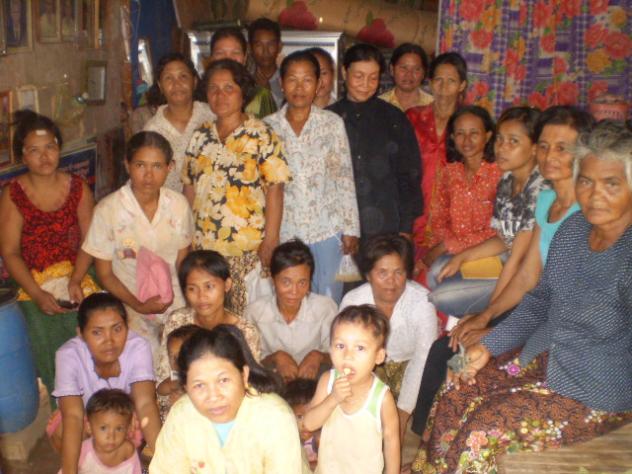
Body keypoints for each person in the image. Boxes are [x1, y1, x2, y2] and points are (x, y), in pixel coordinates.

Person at [411, 120, 632, 474]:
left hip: (594, 389)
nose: (594, 195)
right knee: (455, 382)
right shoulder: (574, 229)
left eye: (611, 184)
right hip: (542, 356)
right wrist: (488, 346)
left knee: (483, 427)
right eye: (586, 181)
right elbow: (539, 301)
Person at [0, 110, 96, 402]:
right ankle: (63, 412)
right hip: (32, 281)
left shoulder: (78, 188)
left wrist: (76, 279)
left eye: (50, 147)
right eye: (34, 150)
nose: (44, 156)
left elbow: (90, 242)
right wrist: (38, 294)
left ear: (59, 148)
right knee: (47, 340)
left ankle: (99, 404)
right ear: (23, 156)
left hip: (77, 273)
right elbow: (10, 252)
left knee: (93, 331)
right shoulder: (13, 195)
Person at [182, 59, 290, 314]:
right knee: (208, 315)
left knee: (244, 320)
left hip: (247, 249)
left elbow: (275, 189)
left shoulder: (262, 134)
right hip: (205, 249)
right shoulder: (200, 136)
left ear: (243, 92)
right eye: (213, 89)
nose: (220, 96)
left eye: (229, 88)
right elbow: (189, 188)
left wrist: (271, 239)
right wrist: (187, 238)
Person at [427, 107, 547, 317]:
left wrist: (486, 316)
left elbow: (518, 261)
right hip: (506, 259)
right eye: (500, 139)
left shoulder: (539, 189)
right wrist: (462, 257)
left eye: (513, 141)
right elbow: (502, 238)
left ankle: (500, 320)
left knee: (440, 296)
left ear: (535, 148)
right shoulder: (508, 180)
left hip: (530, 275)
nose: (502, 148)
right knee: (436, 273)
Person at [82, 131, 193, 357]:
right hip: (129, 301)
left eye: (157, 166)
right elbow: (105, 274)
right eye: (140, 165)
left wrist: (189, 304)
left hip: (176, 300)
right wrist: (138, 305)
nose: (148, 175)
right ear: (127, 165)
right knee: (144, 357)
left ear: (170, 167)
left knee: (185, 356)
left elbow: (183, 262)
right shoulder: (108, 210)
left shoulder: (178, 205)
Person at [265, 50, 360, 303]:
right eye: (292, 79)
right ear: (281, 83)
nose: (299, 87)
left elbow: (344, 176)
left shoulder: (332, 123)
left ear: (318, 85)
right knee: (291, 298)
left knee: (328, 299)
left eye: (307, 80)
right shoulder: (267, 127)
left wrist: (351, 228)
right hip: (285, 230)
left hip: (327, 229)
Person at [150, 325, 308, 473]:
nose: (213, 396)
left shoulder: (274, 416)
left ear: (244, 375)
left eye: (223, 380)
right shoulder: (182, 415)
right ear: (185, 387)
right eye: (199, 385)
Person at [49, 293, 161, 474]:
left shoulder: (138, 347)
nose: (109, 341)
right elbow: (73, 416)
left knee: (138, 424)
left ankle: (125, 463)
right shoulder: (68, 355)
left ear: (127, 326)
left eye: (117, 329)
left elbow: (145, 404)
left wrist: (166, 461)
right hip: (85, 417)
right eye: (97, 332)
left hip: (124, 416)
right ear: (81, 333)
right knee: (62, 430)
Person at [340, 234, 438, 440]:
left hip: (410, 369)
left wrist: (402, 415)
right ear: (368, 275)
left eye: (398, 272)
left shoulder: (422, 302)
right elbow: (345, 356)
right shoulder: (353, 301)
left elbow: (422, 359)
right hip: (369, 367)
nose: (391, 281)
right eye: (382, 273)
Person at [328, 44, 422, 244]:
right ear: (344, 72)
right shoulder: (328, 119)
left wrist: (405, 227)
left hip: (385, 223)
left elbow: (408, 175)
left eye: (373, 77)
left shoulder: (394, 118)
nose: (365, 84)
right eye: (358, 76)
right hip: (334, 225)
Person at [157, 250, 261, 416]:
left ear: (227, 285)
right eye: (192, 289)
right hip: (178, 409)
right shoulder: (177, 321)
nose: (201, 296)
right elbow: (163, 379)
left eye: (209, 286)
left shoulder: (244, 332)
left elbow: (250, 387)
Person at [304, 305, 400, 474]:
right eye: (340, 346)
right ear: (330, 349)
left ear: (379, 356)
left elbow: (392, 441)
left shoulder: (381, 397)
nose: (348, 356)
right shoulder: (328, 381)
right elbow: (309, 424)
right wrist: (333, 399)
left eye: (360, 348)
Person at [421, 105, 502, 270]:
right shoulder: (449, 173)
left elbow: (501, 231)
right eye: (460, 134)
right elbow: (439, 218)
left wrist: (449, 245)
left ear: (487, 136)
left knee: (439, 276)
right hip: (451, 251)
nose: (467, 141)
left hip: (490, 252)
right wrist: (445, 246)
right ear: (452, 137)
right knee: (428, 274)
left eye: (474, 133)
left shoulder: (500, 174)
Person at [245, 240, 338, 382]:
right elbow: (249, 361)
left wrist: (318, 356)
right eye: (286, 282)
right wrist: (275, 358)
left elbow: (339, 353)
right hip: (271, 383)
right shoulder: (254, 313)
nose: (294, 291)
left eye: (302, 282)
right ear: (273, 279)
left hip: (314, 384)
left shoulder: (325, 308)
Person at [406, 52, 468, 260]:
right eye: (438, 79)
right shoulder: (412, 117)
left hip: (453, 213)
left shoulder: (469, 123)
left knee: (441, 271)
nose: (443, 86)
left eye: (451, 81)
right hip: (415, 208)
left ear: (462, 85)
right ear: (430, 83)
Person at [144, 53, 215, 192]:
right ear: (160, 86)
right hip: (169, 203)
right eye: (168, 78)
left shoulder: (212, 116)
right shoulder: (152, 130)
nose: (176, 84)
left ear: (194, 81)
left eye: (183, 76)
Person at [66, 389, 142, 474]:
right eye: (103, 428)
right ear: (89, 427)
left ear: (128, 428)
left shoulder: (128, 452)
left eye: (119, 429)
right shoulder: (83, 451)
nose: (111, 437)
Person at [207, 26, 277, 119]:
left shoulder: (260, 95)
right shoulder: (202, 95)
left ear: (245, 58)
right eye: (220, 53)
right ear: (211, 58)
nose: (228, 59)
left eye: (235, 53)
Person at [156, 324, 199, 415]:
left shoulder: (205, 377)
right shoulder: (177, 376)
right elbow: (160, 390)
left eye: (181, 356)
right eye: (172, 356)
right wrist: (173, 385)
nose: (176, 361)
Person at [379, 43, 433, 111]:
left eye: (416, 69)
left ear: (423, 73)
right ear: (392, 69)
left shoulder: (433, 105)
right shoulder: (379, 104)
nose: (409, 75)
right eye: (403, 68)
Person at [283, 378, 320, 471]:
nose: (305, 423)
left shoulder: (320, 439)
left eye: (312, 416)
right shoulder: (289, 439)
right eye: (300, 417)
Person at [248, 18, 284, 108]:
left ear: (279, 46)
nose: (265, 52)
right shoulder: (244, 79)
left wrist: (268, 93)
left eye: (270, 45)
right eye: (259, 45)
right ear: (250, 48)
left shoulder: (287, 79)